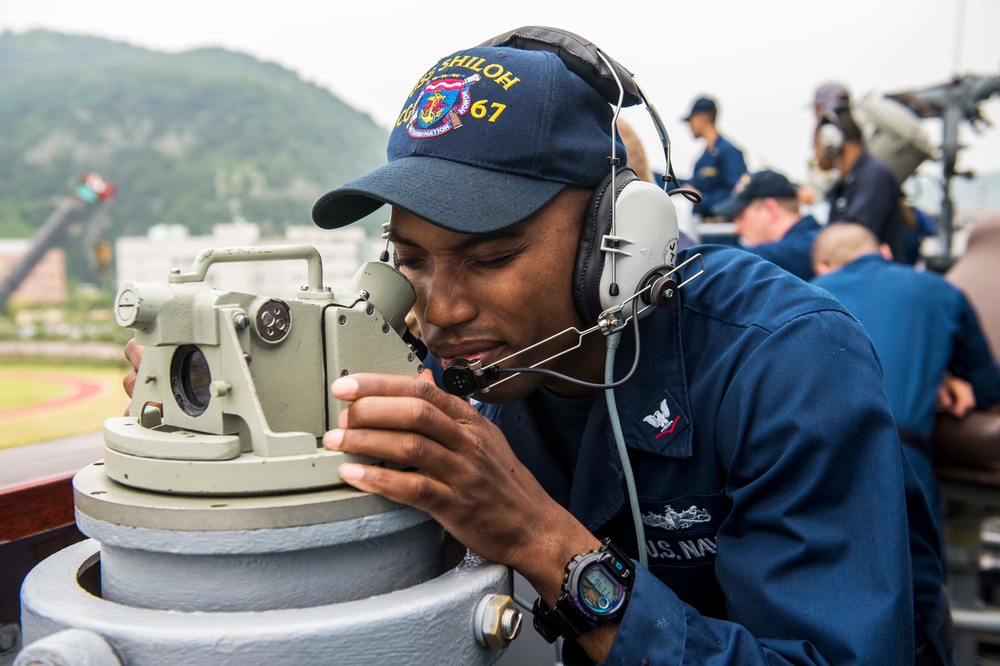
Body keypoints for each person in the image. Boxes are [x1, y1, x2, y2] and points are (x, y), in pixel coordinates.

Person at [125, 29, 945, 665]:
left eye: (490, 257)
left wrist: (548, 545)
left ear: (617, 242)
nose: (439, 309)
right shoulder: (441, 358)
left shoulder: (790, 361)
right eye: (410, 261)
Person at [811, 222, 1000, 532]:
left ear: (822, 268)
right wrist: (938, 372)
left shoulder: (801, 296)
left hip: (812, 467)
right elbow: (987, 387)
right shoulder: (940, 290)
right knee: (915, 573)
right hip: (901, 466)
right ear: (885, 253)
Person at [814, 107, 908, 259]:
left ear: (832, 140)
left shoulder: (875, 176)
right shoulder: (846, 183)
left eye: (816, 144)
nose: (815, 153)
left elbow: (851, 240)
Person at [712, 168, 821, 280]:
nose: (736, 228)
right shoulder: (813, 240)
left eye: (740, 216)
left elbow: (737, 261)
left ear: (769, 210)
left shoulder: (808, 248)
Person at [678, 96, 747, 220]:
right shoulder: (704, 158)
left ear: (703, 118)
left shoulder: (729, 152)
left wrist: (702, 198)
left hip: (722, 232)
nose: (689, 126)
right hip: (704, 230)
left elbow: (737, 193)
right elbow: (692, 184)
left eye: (691, 120)